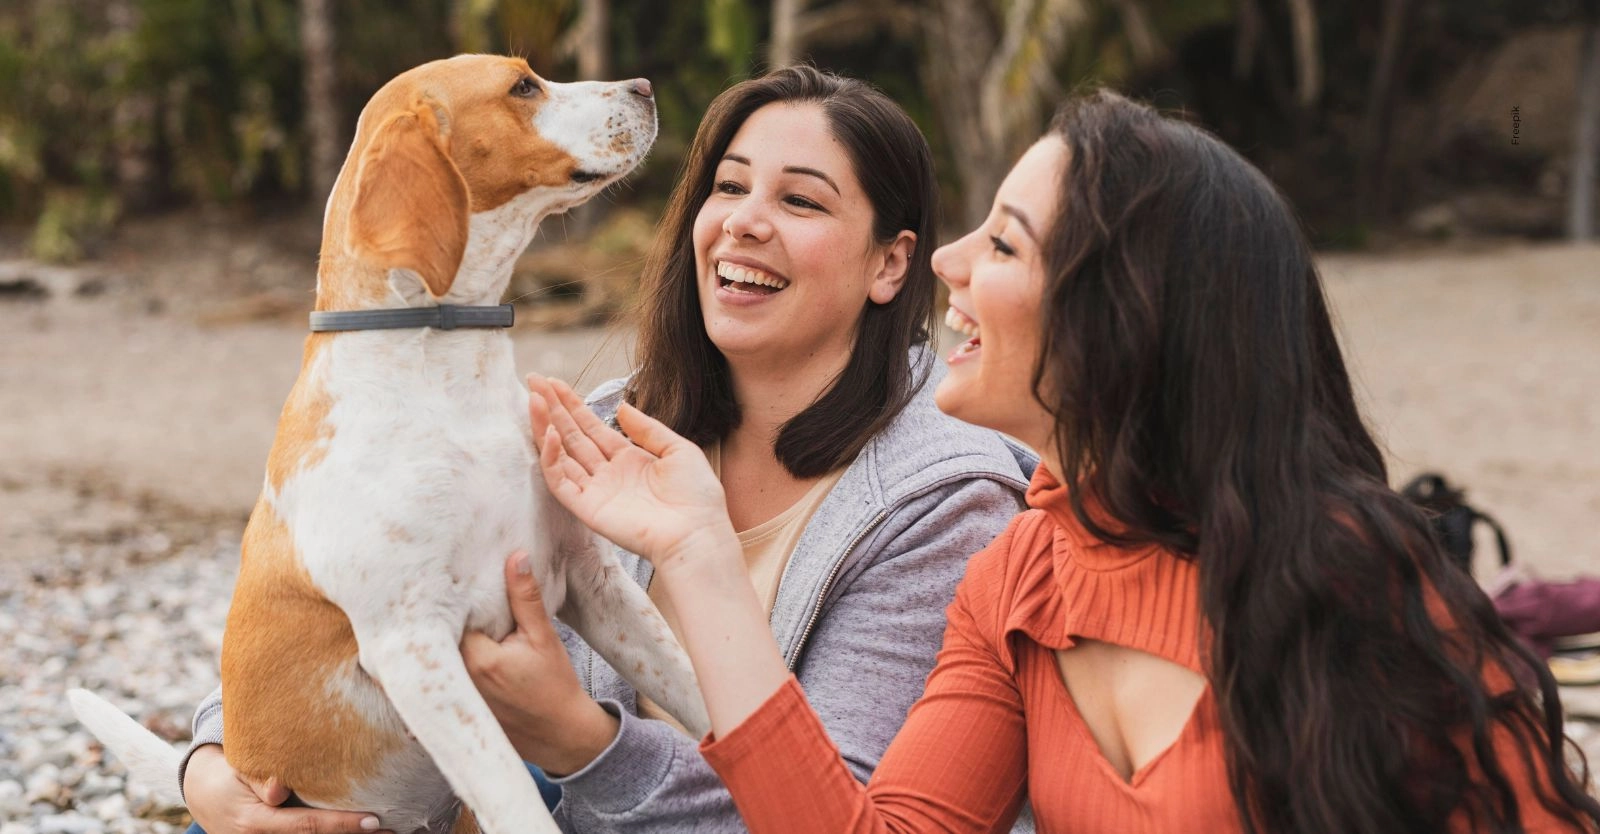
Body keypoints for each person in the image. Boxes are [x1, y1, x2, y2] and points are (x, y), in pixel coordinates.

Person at [524, 89, 1600, 833]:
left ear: (1121, 315)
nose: (944, 264)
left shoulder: (1344, 575)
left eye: (999, 244)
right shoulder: (1021, 578)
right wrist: (700, 553)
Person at [176, 66, 1035, 834]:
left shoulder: (944, 504)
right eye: (728, 188)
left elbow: (831, 813)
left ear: (892, 266)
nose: (743, 224)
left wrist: (582, 743)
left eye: (800, 201)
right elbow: (357, 598)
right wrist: (211, 772)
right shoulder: (602, 424)